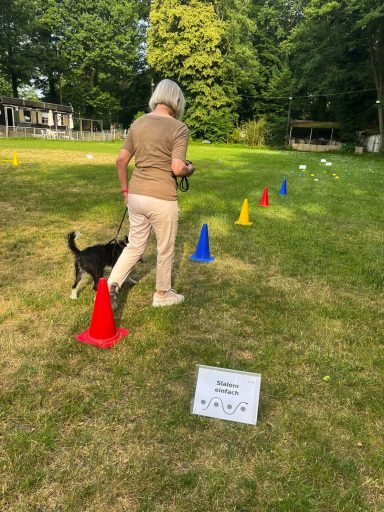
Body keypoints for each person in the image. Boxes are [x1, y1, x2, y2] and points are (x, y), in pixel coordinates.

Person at [108, 79, 195, 309]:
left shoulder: (138, 123)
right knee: (164, 247)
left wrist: (126, 191)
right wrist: (189, 169)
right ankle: (162, 294)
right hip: (162, 197)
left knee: (135, 245)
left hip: (136, 194)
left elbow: (121, 160)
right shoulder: (179, 128)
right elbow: (177, 168)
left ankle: (111, 285)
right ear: (177, 101)